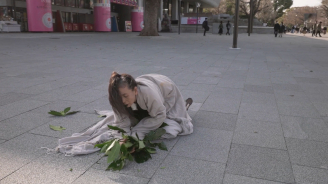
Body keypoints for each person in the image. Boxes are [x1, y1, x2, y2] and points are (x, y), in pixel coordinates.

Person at [56, 72, 194, 156]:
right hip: (145, 96)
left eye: (125, 96)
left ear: (134, 90)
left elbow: (159, 115)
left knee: (171, 126)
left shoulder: (149, 94)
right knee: (134, 116)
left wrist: (134, 137)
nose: (123, 101)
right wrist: (123, 138)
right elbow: (121, 123)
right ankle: (141, 109)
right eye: (119, 97)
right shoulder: (117, 99)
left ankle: (184, 106)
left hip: (165, 89)